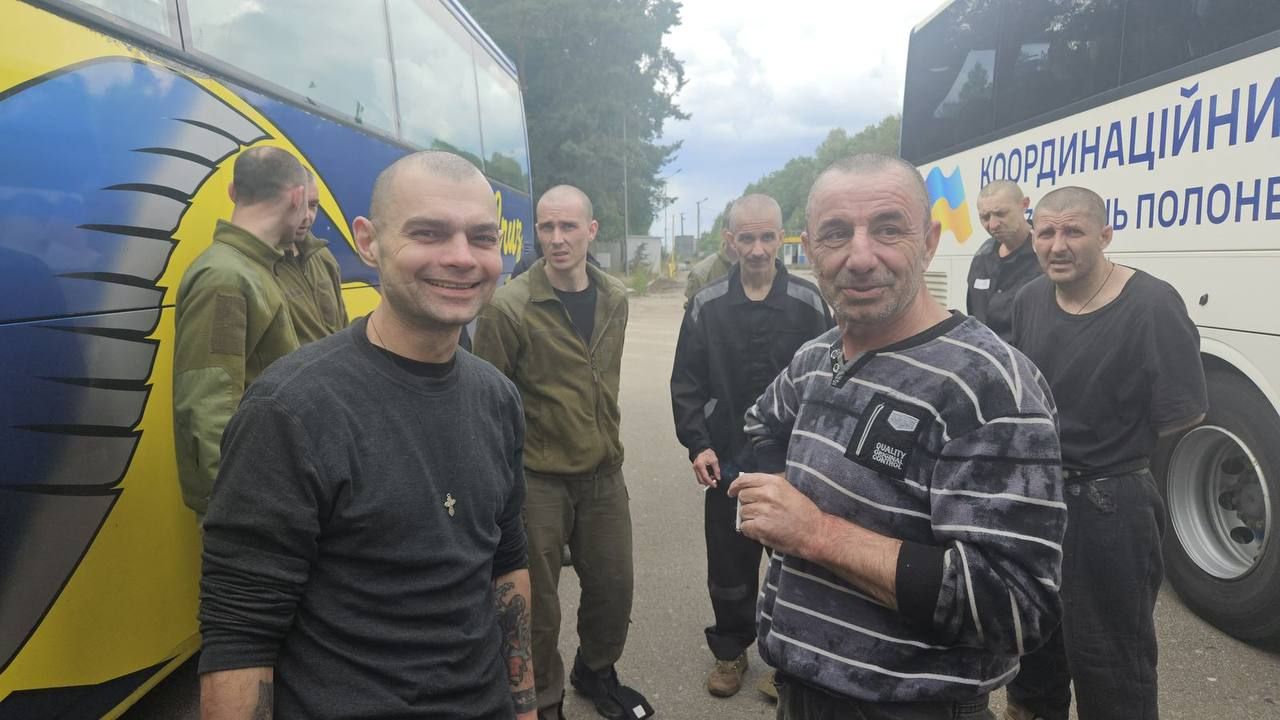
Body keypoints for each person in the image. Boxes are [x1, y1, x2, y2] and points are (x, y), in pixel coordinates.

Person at [197, 150, 536, 719]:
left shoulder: (498, 398)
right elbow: (240, 635)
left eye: (481, 238)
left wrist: (524, 708)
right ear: (368, 241)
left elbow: (507, 563)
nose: (461, 257)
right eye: (428, 233)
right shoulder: (290, 411)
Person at [729, 154, 1066, 719]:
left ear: (929, 242)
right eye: (836, 234)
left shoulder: (989, 387)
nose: (860, 257)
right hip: (797, 690)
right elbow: (760, 423)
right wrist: (775, 497)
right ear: (808, 250)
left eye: (888, 229)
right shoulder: (817, 357)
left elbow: (1016, 605)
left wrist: (815, 533)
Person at [1004, 187, 1207, 720]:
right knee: (1033, 650)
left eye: (1073, 231)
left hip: (1110, 506)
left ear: (1105, 234)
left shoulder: (1152, 304)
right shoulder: (1029, 299)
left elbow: (1181, 414)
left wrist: (1107, 447)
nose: (1057, 245)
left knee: (1112, 667)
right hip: (1037, 500)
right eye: (1046, 232)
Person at [473, 185, 652, 720]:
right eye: (546, 227)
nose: (556, 238)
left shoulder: (615, 297)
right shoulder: (509, 308)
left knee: (614, 588)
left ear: (590, 231)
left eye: (568, 226)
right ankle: (544, 696)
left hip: (603, 475)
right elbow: (488, 401)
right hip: (538, 480)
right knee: (538, 605)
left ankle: (596, 670)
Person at [669, 193, 832, 698]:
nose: (758, 249)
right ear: (730, 240)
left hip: (794, 465)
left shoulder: (809, 304)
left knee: (797, 564)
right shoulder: (707, 305)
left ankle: (789, 663)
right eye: (747, 238)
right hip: (728, 460)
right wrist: (698, 444)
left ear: (781, 237)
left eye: (766, 237)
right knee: (729, 564)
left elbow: (833, 380)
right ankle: (730, 651)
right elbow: (687, 382)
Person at [172, 146, 308, 519]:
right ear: (297, 197)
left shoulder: (250, 267)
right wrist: (237, 516)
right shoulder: (227, 276)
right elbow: (209, 407)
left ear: (233, 191)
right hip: (251, 507)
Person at [277, 168, 348, 342]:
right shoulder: (259, 265)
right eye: (297, 205)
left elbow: (343, 327)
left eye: (313, 205)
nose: (307, 216)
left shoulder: (322, 256)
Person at [966, 180, 1040, 341]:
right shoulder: (982, 257)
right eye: (985, 217)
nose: (992, 225)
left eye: (1001, 214)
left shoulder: (1045, 255)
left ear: (1024, 205)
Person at [684, 232, 739, 306]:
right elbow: (695, 310)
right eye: (747, 238)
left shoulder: (754, 269)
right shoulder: (702, 274)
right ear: (729, 237)